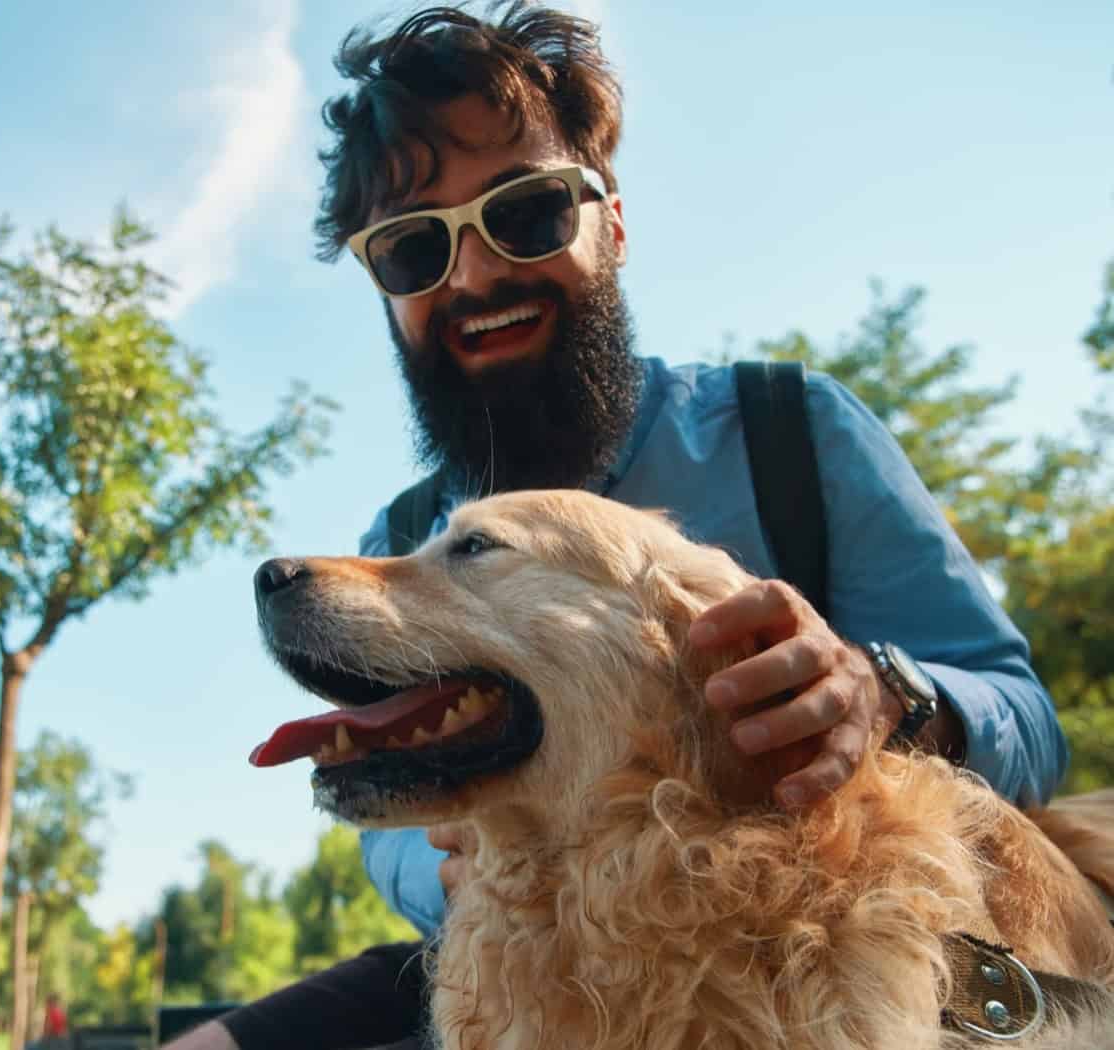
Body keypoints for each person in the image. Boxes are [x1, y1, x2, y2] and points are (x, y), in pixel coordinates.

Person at [168, 3, 1067, 1047]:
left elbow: (1025, 721)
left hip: (828, 950)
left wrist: (880, 693)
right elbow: (392, 842)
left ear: (614, 226)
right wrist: (446, 851)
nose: (475, 276)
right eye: (413, 250)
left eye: (527, 213)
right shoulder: (400, 533)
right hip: (514, 949)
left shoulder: (790, 432)